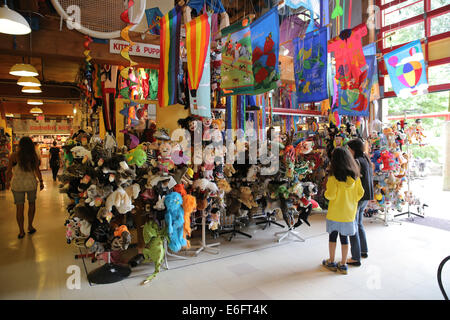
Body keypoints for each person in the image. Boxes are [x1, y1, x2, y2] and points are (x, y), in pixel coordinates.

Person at [323, 147, 364, 274]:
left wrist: (325, 193)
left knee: (332, 237)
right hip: (348, 214)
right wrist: (351, 201)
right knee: (344, 239)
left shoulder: (333, 177)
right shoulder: (355, 176)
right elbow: (360, 193)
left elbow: (330, 195)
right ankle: (343, 264)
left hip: (335, 213)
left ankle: (331, 261)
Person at [5, 137, 44, 239]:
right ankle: (30, 226)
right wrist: (41, 181)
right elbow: (37, 171)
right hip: (30, 184)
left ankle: (21, 231)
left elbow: (8, 171)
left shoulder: (14, 156)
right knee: (31, 205)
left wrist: (7, 182)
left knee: (19, 208)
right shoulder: (33, 156)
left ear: (20, 145)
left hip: (17, 185)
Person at [346, 138, 374, 266]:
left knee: (353, 226)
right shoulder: (366, 159)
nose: (348, 151)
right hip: (367, 196)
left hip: (359, 196)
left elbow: (352, 180)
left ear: (353, 149)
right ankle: (364, 250)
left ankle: (355, 257)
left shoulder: (357, 161)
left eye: (349, 149)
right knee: (359, 224)